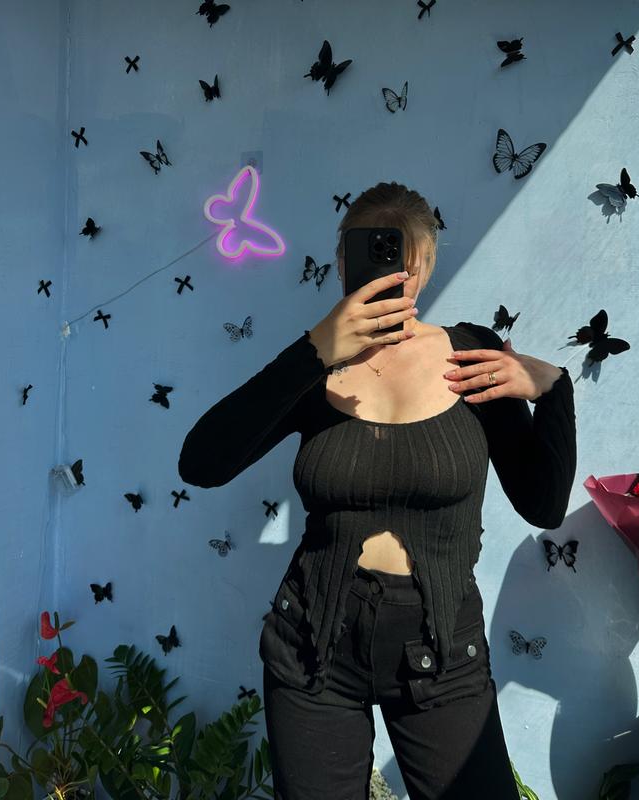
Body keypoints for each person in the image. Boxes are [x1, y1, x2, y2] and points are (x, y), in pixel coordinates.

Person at [178, 181, 577, 799]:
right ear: (343, 262)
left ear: (426, 266)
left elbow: (542, 505)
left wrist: (553, 391)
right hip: (312, 647)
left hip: (442, 650)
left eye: (405, 260)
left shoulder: (471, 357)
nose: (391, 275)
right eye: (371, 254)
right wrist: (314, 351)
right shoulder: (315, 367)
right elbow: (201, 463)